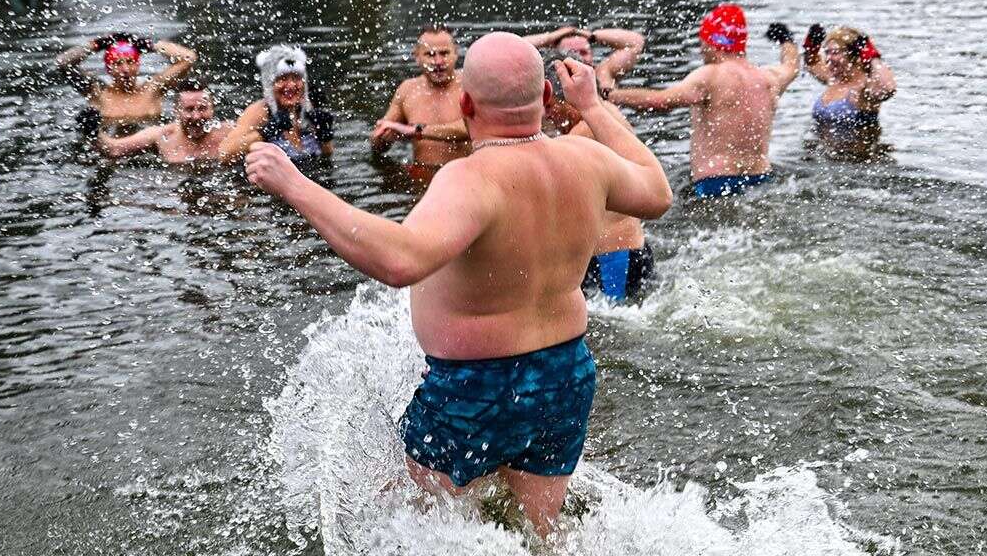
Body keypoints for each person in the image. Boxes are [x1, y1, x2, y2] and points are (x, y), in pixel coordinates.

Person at [244, 32, 672, 536]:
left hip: (476, 386)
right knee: (543, 533)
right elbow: (657, 191)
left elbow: (401, 261)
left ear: (465, 103)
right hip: (566, 374)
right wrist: (594, 108)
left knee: (424, 528)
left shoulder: (470, 178)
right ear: (548, 98)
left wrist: (295, 184)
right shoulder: (587, 159)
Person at [605, 4, 800, 198]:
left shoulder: (710, 76)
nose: (701, 50)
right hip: (762, 179)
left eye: (703, 42)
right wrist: (786, 39)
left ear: (714, 42)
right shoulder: (768, 79)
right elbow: (792, 66)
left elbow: (659, 102)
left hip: (716, 184)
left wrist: (609, 94)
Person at [542, 53, 654, 301]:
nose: (547, 115)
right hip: (630, 250)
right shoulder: (607, 113)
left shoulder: (582, 133)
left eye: (551, 106)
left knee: (613, 334)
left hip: (613, 257)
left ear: (569, 100)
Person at [370, 26, 472, 181]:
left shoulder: (470, 84)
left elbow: (470, 128)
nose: (438, 61)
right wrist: (383, 139)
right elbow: (377, 144)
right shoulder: (407, 90)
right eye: (430, 54)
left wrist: (415, 130)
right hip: (422, 177)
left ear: (456, 53)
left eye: (444, 53)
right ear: (417, 56)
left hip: (465, 176)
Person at [56, 32, 198, 132]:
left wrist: (151, 45)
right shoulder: (97, 92)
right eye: (117, 63)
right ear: (109, 69)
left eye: (130, 62)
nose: (125, 69)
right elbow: (62, 63)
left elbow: (189, 58)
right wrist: (96, 45)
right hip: (109, 149)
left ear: (138, 65)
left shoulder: (153, 89)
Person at [219, 44, 334, 165]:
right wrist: (265, 132)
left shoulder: (306, 110)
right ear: (269, 83)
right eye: (282, 79)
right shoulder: (260, 111)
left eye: (296, 78)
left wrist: (325, 135)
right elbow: (225, 154)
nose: (291, 86)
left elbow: (326, 157)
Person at [803, 24, 897, 155]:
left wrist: (872, 56)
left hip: (857, 163)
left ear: (853, 55)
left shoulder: (865, 86)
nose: (829, 58)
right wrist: (811, 48)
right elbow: (812, 64)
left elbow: (888, 88)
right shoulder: (833, 79)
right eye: (827, 52)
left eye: (835, 53)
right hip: (825, 158)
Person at [97, 78, 233, 166]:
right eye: (189, 109)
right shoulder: (161, 136)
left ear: (213, 108)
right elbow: (113, 149)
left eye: (203, 108)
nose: (196, 117)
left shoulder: (231, 134)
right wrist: (92, 131)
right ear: (176, 110)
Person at [523, 24, 645, 89]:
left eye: (583, 52)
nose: (578, 57)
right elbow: (512, 48)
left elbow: (636, 43)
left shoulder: (602, 75)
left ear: (591, 56)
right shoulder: (546, 82)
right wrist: (550, 38)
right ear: (556, 57)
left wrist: (592, 36)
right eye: (571, 52)